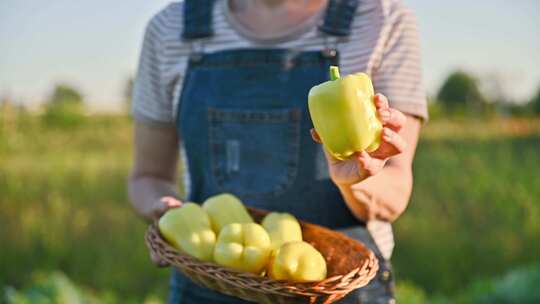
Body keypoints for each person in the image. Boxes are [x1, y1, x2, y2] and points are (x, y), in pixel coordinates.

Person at [128, 0, 427, 303]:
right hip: (209, 285)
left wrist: (355, 179)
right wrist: (167, 214)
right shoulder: (169, 28)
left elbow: (394, 194)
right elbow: (147, 177)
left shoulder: (382, 18)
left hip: (337, 291)